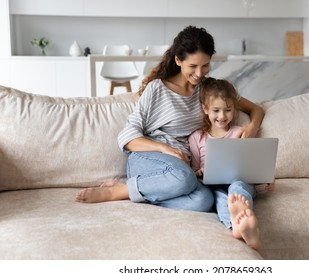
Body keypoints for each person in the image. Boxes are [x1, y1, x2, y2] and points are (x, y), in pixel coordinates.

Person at [76, 26, 264, 215]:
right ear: (178, 60)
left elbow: (255, 109)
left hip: (181, 168)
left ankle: (148, 191)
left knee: (204, 201)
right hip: (149, 159)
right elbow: (127, 136)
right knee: (184, 177)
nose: (200, 73)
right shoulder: (157, 89)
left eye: (205, 65)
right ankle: (119, 191)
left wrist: (252, 127)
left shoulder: (209, 90)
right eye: (193, 66)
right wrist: (165, 148)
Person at [188, 77, 260, 250]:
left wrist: (265, 178)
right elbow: (194, 169)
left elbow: (251, 161)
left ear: (234, 109)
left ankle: (241, 212)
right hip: (214, 185)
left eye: (228, 110)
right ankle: (238, 227)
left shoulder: (239, 132)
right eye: (216, 110)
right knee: (221, 199)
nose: (222, 116)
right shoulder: (197, 137)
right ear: (205, 109)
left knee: (237, 188)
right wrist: (200, 172)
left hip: (239, 179)